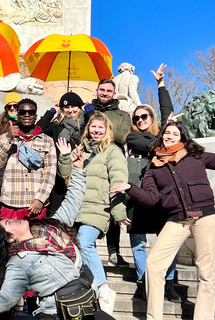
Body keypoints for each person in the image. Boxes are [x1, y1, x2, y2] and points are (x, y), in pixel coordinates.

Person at [0, 148, 112, 319]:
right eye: (9, 222)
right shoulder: (18, 263)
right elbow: (5, 298)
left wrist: (78, 170)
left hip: (87, 304)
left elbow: (72, 202)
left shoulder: (50, 227)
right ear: (11, 238)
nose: (14, 219)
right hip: (56, 314)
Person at [110, 120, 215, 320]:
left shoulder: (196, 156)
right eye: (167, 133)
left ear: (181, 136)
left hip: (204, 216)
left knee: (205, 271)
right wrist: (131, 187)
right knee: (154, 264)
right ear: (161, 136)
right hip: (177, 219)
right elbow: (151, 199)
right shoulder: (153, 166)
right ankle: (154, 316)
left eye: (175, 133)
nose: (170, 136)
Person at [58, 112, 129, 315]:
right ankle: (85, 287)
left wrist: (118, 211)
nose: (96, 131)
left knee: (85, 242)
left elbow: (118, 180)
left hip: (99, 207)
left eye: (101, 128)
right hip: (78, 207)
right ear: (87, 128)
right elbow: (66, 174)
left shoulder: (112, 151)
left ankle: (104, 289)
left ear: (107, 130)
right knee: (73, 248)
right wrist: (65, 156)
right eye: (93, 127)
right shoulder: (81, 149)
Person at [125, 63, 180, 302]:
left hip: (161, 196)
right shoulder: (133, 137)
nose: (139, 120)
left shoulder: (163, 136)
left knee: (166, 242)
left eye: (144, 116)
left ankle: (168, 282)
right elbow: (153, 143)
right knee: (138, 242)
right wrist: (165, 132)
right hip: (137, 196)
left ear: (151, 117)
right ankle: (144, 279)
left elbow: (168, 119)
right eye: (136, 117)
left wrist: (161, 86)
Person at [84, 78, 131, 268]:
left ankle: (114, 251)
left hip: (112, 158)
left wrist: (98, 119)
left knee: (112, 202)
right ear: (96, 91)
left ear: (113, 93)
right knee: (89, 207)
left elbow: (122, 136)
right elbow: (82, 133)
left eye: (108, 91)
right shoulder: (86, 110)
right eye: (101, 90)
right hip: (90, 161)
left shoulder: (122, 114)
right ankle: (90, 249)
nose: (104, 93)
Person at [0, 98, 56, 221]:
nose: (27, 115)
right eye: (22, 112)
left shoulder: (47, 140)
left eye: (31, 112)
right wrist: (9, 139)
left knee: (35, 240)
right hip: (11, 202)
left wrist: (40, 198)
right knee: (8, 240)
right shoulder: (4, 137)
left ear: (36, 116)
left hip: (35, 204)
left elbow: (50, 172)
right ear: (17, 115)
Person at [37, 91, 85, 211]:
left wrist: (90, 111)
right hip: (58, 177)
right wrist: (51, 111)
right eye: (66, 107)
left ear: (80, 107)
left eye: (74, 106)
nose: (70, 110)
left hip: (79, 173)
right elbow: (39, 128)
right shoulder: (57, 125)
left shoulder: (86, 125)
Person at [0, 92, 20, 232]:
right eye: (9, 106)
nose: (13, 109)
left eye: (16, 106)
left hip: (19, 175)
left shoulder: (26, 123)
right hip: (1, 175)